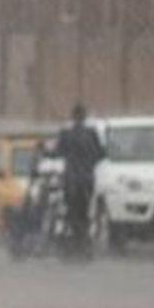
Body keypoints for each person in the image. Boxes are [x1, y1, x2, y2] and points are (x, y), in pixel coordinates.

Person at [53, 103, 104, 257]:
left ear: (73, 116)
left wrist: (46, 152)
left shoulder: (66, 134)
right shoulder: (91, 133)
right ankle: (83, 239)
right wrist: (90, 163)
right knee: (84, 210)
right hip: (87, 179)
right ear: (84, 117)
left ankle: (74, 239)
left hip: (71, 180)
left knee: (71, 210)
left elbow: (58, 152)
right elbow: (101, 153)